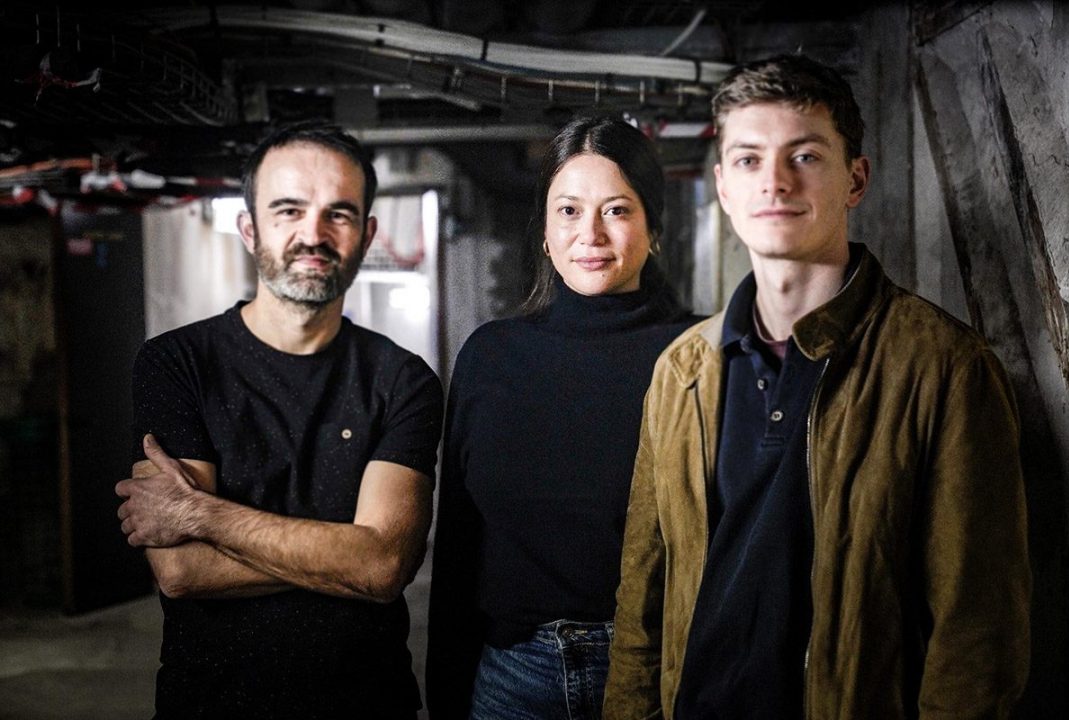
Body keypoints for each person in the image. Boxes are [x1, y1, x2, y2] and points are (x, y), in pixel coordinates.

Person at [603, 54, 1031, 719]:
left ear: (855, 178)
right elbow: (642, 598)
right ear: (722, 185)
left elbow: (978, 630)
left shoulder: (942, 367)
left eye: (804, 157)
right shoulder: (681, 372)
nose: (773, 182)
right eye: (748, 160)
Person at [114, 119, 443, 719]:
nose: (312, 234)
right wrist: (344, 553)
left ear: (367, 234)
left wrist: (200, 513)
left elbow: (384, 567)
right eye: (288, 210)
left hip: (367, 704)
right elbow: (182, 569)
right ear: (249, 227)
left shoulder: (404, 380)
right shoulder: (176, 363)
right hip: (210, 704)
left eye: (338, 214)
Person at [426, 115, 699, 720]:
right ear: (546, 233)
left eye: (617, 210)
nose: (591, 234)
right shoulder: (492, 357)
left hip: (659, 673)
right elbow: (460, 544)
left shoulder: (697, 357)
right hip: (515, 676)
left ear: (654, 227)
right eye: (570, 211)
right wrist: (446, 694)